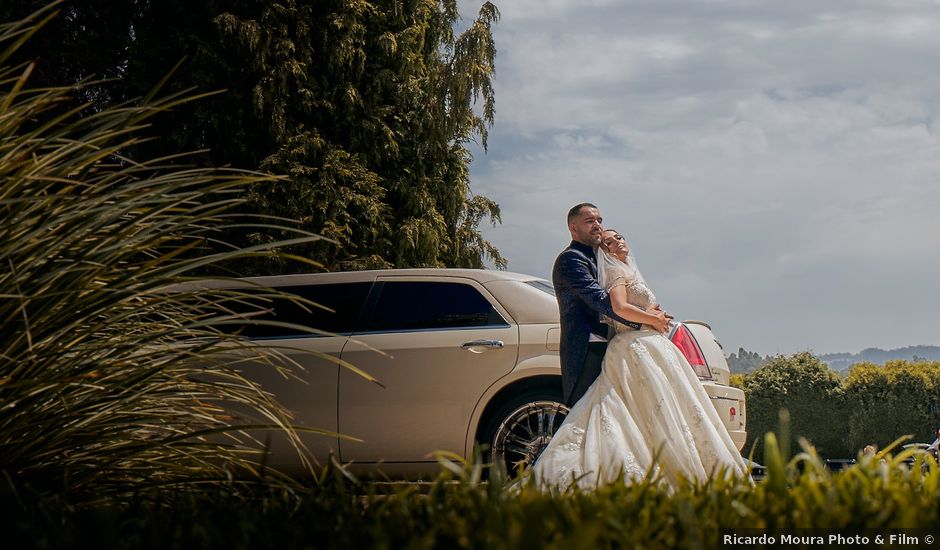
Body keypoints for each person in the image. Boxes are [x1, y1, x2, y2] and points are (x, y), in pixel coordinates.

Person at [534, 227, 749, 489]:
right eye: (609, 243)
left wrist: (654, 316)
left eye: (619, 237)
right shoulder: (615, 273)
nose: (616, 243)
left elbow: (637, 307)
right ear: (604, 251)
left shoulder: (630, 271)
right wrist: (651, 319)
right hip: (632, 347)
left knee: (660, 409)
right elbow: (619, 308)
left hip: (650, 344)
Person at [552, 203, 655, 407]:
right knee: (587, 411)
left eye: (599, 220)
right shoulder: (571, 259)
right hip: (587, 348)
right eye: (590, 221)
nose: (597, 225)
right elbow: (601, 300)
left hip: (611, 345)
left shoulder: (603, 259)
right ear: (573, 228)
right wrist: (646, 320)